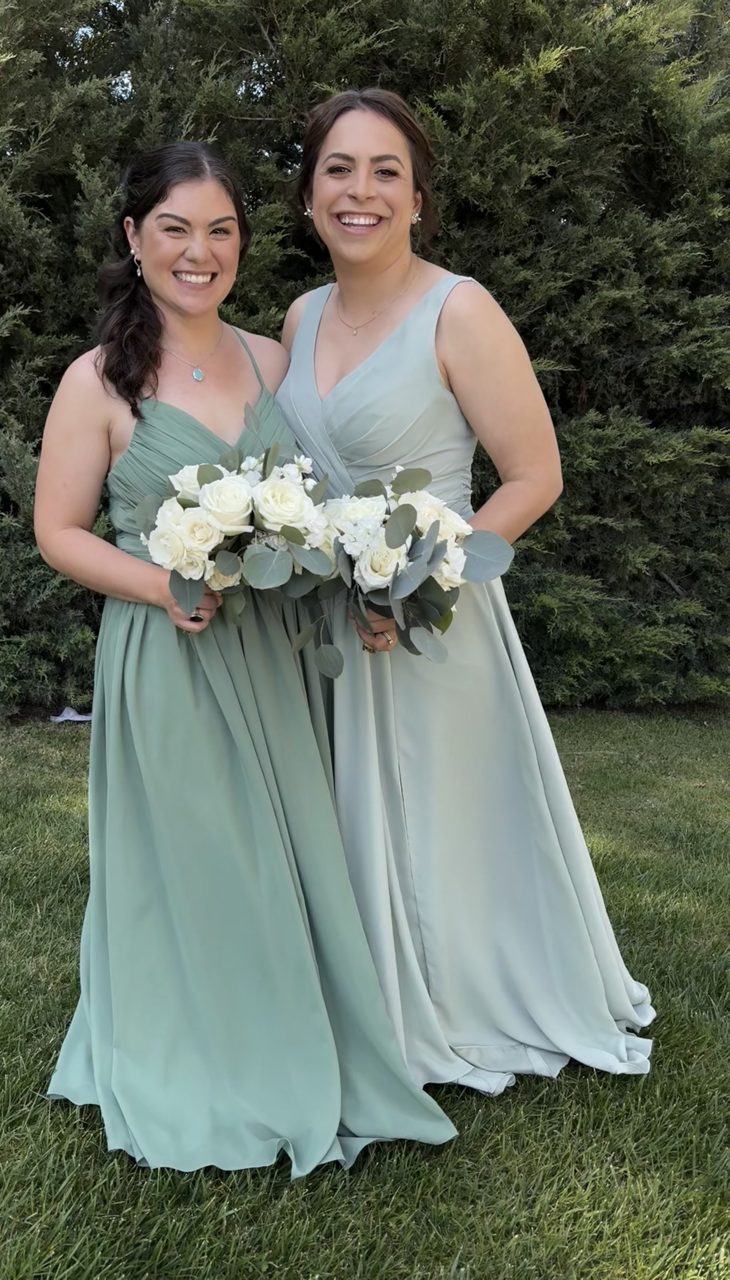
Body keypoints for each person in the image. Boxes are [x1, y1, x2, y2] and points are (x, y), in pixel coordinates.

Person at [33, 140, 455, 1175]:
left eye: (220, 231)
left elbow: (320, 506)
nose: (200, 251)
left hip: (277, 649)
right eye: (175, 229)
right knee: (199, 854)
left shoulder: (272, 359)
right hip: (169, 653)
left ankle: (300, 1039)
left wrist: (366, 582)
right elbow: (59, 532)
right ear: (134, 238)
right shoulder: (97, 381)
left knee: (288, 849)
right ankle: (201, 1054)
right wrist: (160, 583)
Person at [277, 90, 654, 1096]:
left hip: (431, 617)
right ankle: (359, 989)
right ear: (308, 196)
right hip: (324, 619)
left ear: (417, 198)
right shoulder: (300, 317)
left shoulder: (460, 309)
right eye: (338, 170)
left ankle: (458, 998)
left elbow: (535, 475)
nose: (360, 191)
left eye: (385, 171)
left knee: (442, 815)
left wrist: (416, 576)